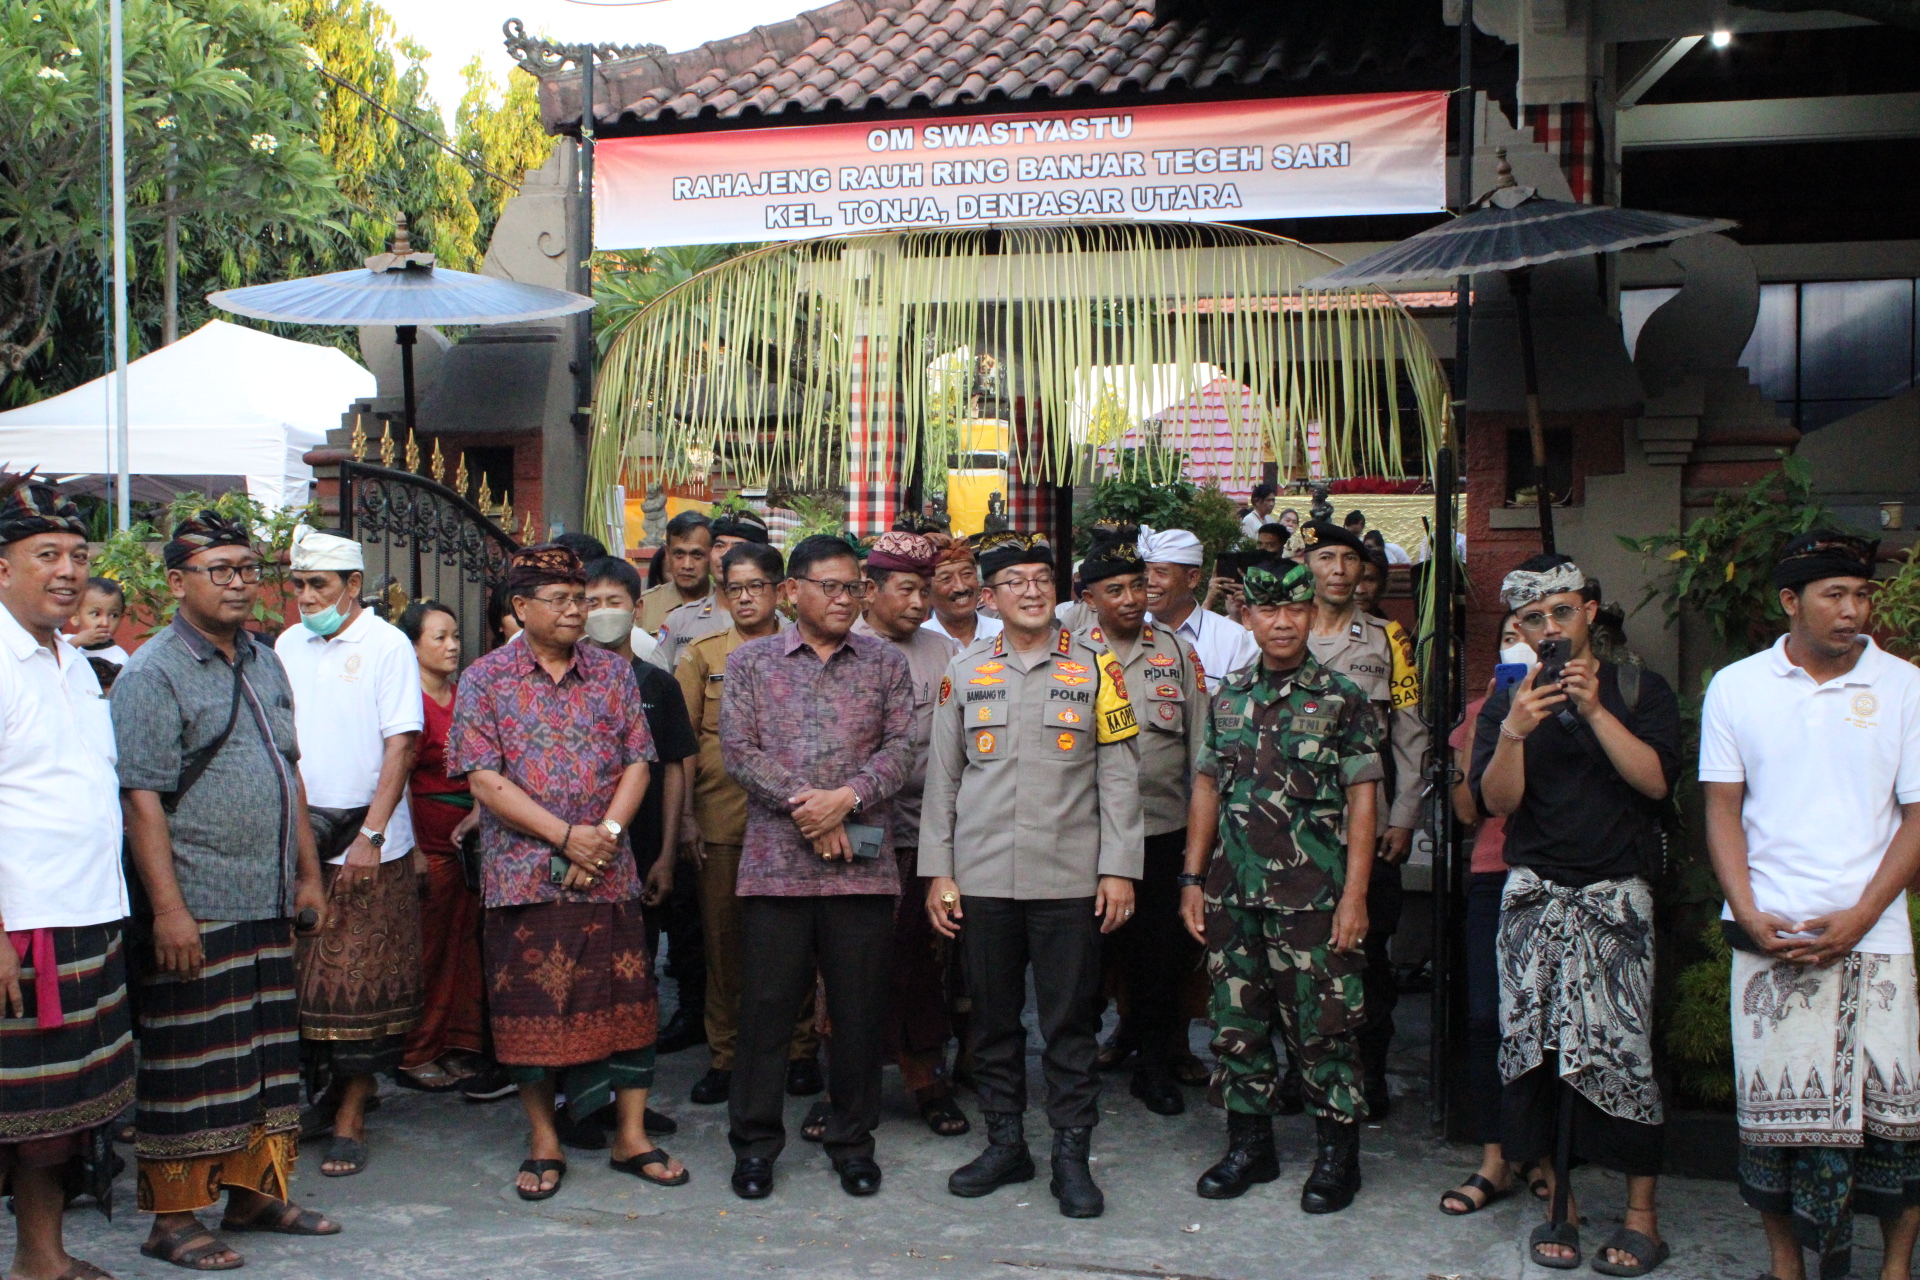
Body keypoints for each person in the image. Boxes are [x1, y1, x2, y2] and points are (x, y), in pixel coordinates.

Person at [113, 510, 337, 1270]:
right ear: (177, 583)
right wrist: (169, 909)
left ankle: (255, 1195)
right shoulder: (152, 671)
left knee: (268, 1059)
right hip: (197, 903)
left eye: (248, 568)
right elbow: (141, 796)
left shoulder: (264, 660)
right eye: (222, 570)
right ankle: (173, 1219)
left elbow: (289, 773)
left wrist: (308, 874)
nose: (240, 582)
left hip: (268, 896)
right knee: (189, 1062)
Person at [1702, 531, 1920, 1280]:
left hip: (1876, 936)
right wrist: (1746, 909)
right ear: (1790, 601)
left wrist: (1860, 918)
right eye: (1835, 595)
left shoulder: (1906, 686)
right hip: (1775, 935)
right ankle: (1787, 1268)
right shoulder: (1736, 686)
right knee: (1775, 1125)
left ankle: (1895, 1270)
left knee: (1896, 1121)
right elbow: (1723, 809)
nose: (1854, 610)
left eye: (1862, 594)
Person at [445, 544, 683, 1201]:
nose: (578, 610)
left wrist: (603, 837)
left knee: (629, 1004)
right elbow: (485, 781)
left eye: (581, 598)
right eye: (562, 600)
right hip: (523, 875)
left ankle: (631, 1135)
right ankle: (544, 1139)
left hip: (606, 870)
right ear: (519, 609)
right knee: (530, 1011)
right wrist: (562, 837)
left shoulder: (612, 674)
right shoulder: (485, 679)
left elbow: (640, 760)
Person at [922, 531, 1143, 1219]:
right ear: (990, 596)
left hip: (1070, 879)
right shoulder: (963, 669)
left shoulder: (1096, 667)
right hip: (983, 877)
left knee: (1070, 1024)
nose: (1030, 590)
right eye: (1013, 580)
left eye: (1041, 578)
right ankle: (1006, 1144)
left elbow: (1120, 773)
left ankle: (1071, 1157)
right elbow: (943, 779)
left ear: (1057, 590)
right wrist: (938, 873)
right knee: (990, 1023)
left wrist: (1119, 870)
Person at [1471, 554, 1680, 1275]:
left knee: (1625, 1057)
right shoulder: (1512, 700)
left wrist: (1592, 709)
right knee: (1536, 1055)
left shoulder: (1636, 688)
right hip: (1535, 897)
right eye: (1534, 619)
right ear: (1521, 629)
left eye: (1563, 611)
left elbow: (1654, 782)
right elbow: (1497, 806)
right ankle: (1558, 1206)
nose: (1551, 628)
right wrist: (1514, 731)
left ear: (1590, 609)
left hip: (1615, 898)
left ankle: (1640, 1216)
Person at [1178, 559, 1381, 1213]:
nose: (1283, 622)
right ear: (1249, 617)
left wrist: (1354, 897)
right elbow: (1207, 786)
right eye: (1268, 610)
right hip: (1233, 895)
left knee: (1323, 1031)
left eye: (1295, 609)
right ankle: (1250, 1146)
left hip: (1313, 900)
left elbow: (1363, 801)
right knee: (1237, 1025)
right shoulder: (1229, 696)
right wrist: (1192, 876)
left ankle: (1335, 1157)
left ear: (1310, 613)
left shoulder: (1342, 697)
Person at [719, 534, 917, 1201]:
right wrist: (813, 809)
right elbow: (739, 752)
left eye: (855, 587)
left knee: (858, 1014)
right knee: (768, 1011)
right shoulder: (750, 663)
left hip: (862, 864)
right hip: (776, 866)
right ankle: (754, 1145)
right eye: (830, 586)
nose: (845, 599)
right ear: (792, 591)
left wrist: (847, 801)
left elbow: (900, 751)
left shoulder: (885, 663)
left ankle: (852, 1140)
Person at [0, 474, 135, 1280]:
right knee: (23, 1110)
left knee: (56, 1112)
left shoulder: (75, 662)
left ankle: (40, 1256)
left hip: (88, 908)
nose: (68, 572)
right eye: (46, 554)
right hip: (25, 921)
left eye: (79, 556)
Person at [276, 526, 424, 1178]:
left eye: (321, 585)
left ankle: (352, 1113)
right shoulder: (285, 644)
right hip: (304, 833)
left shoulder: (388, 645)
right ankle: (325, 1095)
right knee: (309, 982)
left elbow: (403, 744)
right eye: (300, 585)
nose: (308, 596)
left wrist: (372, 834)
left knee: (361, 983)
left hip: (371, 837)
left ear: (354, 586)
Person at [674, 543, 819, 1107]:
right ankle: (726, 1055)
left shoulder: (805, 650)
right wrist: (684, 816)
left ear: (781, 590)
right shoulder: (704, 656)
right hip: (724, 821)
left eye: (755, 586)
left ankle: (800, 1050)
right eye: (733, 589)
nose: (744, 598)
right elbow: (682, 746)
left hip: (795, 824)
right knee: (724, 944)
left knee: (796, 943)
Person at [1073, 534, 1207, 1118]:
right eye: (1115, 590)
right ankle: (1072, 1074)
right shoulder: (1065, 649)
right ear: (1087, 598)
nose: (1131, 598)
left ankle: (1153, 1068)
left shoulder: (1175, 652)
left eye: (1137, 586)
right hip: (1081, 834)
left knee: (1157, 961)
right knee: (1080, 962)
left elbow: (1202, 750)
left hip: (1160, 830)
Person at [1300, 520, 1429, 1121]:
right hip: (1291, 827)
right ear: (1308, 565)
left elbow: (1409, 731)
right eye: (1325, 557)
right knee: (1294, 955)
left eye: (1348, 560)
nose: (1338, 570)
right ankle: (1299, 1074)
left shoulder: (1388, 640)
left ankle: (1367, 1074)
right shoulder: (1279, 630)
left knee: (1368, 959)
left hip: (1366, 824)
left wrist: (1404, 816)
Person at [848, 532, 968, 1138]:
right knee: (852, 966)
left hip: (928, 837)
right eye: (909, 589)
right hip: (853, 838)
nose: (922, 602)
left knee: (923, 962)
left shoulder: (946, 654)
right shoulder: (843, 648)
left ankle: (926, 1078)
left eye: (927, 589)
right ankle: (849, 1087)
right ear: (869, 591)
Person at [582, 556, 701, 1082]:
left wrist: (667, 853)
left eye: (614, 602)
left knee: (637, 972)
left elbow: (674, 768)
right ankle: (583, 1095)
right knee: (583, 975)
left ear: (638, 608)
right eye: (591, 602)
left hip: (644, 847)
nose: (602, 613)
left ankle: (629, 1092)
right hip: (581, 852)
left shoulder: (657, 683)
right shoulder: (566, 681)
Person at [1438, 611, 1532, 1217]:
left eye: (1530, 633)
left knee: (1549, 1025)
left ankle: (1545, 1157)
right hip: (1494, 876)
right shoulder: (1479, 713)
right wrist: (1487, 729)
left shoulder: (1583, 703)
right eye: (1507, 635)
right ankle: (1496, 1157)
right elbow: (1468, 813)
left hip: (1558, 878)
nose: (1518, 643)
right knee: (1485, 1018)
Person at [394, 601, 493, 1097]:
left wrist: (479, 811)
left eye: (455, 635)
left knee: (467, 948)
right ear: (412, 645)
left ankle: (457, 1044)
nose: (453, 645)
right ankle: (417, 1052)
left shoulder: (464, 695)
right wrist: (409, 847)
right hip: (427, 842)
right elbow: (398, 783)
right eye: (439, 637)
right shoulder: (407, 702)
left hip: (471, 843)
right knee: (429, 951)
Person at [1138, 525, 1256, 695]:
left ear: (1192, 578)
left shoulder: (1235, 641)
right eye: (1145, 572)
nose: (1149, 581)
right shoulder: (1130, 631)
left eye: (1161, 573)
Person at [658, 509, 771, 672]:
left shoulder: (782, 628)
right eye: (719, 545)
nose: (725, 555)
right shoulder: (680, 621)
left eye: (737, 547)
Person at [640, 511, 715, 636]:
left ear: (712, 555)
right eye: (679, 554)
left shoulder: (729, 605)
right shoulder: (645, 607)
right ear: (667, 554)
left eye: (697, 555)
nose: (687, 565)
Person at [923, 537, 1003, 648]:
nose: (960, 587)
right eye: (946, 578)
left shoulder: (1003, 633)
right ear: (926, 589)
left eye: (966, 574)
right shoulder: (919, 643)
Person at [67, 575, 130, 666]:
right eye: (96, 614)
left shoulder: (119, 658)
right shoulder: (65, 642)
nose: (105, 623)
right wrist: (76, 641)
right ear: (75, 617)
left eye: (113, 615)